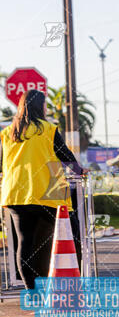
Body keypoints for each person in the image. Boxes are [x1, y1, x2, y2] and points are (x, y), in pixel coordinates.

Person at [0, 89, 83, 289]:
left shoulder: (7, 133)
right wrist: (80, 170)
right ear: (41, 106)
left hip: (16, 194)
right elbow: (65, 155)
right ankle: (70, 281)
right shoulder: (48, 129)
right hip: (47, 191)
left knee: (25, 242)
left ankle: (32, 291)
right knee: (71, 234)